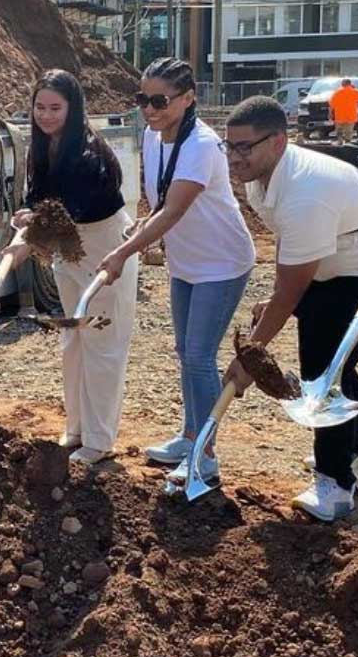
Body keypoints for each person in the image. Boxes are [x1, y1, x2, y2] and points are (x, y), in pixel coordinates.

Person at [223, 96, 358, 522]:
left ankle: (334, 484)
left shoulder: (306, 190)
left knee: (323, 372)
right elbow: (289, 243)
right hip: (329, 267)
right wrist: (284, 295)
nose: (235, 157)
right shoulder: (262, 179)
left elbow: (288, 291)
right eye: (229, 146)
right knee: (338, 364)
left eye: (245, 147)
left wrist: (250, 356)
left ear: (279, 142)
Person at [98, 57, 255, 493]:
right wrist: (138, 228)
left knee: (200, 355)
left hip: (221, 263)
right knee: (185, 352)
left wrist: (123, 252)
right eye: (142, 99)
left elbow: (175, 208)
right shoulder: (153, 136)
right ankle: (189, 437)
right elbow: (160, 198)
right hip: (187, 261)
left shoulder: (202, 144)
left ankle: (205, 457)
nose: (150, 109)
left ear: (187, 99)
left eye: (160, 100)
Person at [6, 70, 138, 467]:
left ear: (73, 108)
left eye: (55, 108)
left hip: (103, 249)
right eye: (40, 107)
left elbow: (71, 212)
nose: (46, 116)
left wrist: (28, 242)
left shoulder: (89, 154)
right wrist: (25, 219)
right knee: (73, 341)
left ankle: (99, 440)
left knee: (102, 344)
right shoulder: (43, 147)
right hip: (67, 252)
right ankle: (77, 427)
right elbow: (42, 200)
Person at [329, 77, 358, 142]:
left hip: (339, 116)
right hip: (351, 116)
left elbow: (331, 104)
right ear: (350, 84)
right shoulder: (355, 91)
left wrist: (330, 114)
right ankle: (348, 143)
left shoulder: (337, 92)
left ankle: (340, 142)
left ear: (342, 84)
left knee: (339, 131)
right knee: (349, 132)